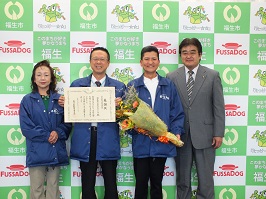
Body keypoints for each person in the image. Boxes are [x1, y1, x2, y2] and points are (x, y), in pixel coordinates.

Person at [59, 47, 126, 199]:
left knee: (111, 182)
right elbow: (69, 114)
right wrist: (65, 103)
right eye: (95, 59)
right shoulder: (77, 85)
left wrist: (121, 107)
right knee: (87, 183)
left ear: (108, 63)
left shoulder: (119, 87)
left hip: (108, 137)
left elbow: (127, 120)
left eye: (102, 59)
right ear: (90, 62)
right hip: (85, 138)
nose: (98, 62)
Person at [166, 38, 225, 199]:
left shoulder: (212, 76)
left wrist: (218, 133)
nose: (188, 56)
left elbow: (218, 106)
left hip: (206, 135)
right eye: (184, 53)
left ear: (200, 55)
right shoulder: (171, 77)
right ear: (180, 56)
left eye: (193, 52)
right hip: (181, 135)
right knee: (183, 179)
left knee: (206, 179)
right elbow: (169, 107)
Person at [127, 45, 185, 199]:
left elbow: (177, 113)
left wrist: (176, 132)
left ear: (158, 62)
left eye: (153, 59)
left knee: (157, 185)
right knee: (140, 184)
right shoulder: (133, 86)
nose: (150, 62)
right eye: (146, 59)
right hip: (141, 143)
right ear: (141, 62)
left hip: (161, 143)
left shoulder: (168, 85)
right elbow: (126, 115)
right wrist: (134, 128)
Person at [19, 60, 72, 199]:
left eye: (46, 75)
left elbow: (67, 124)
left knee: (53, 189)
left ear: (51, 79)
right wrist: (47, 135)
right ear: (34, 79)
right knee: (36, 190)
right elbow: (26, 128)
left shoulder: (60, 100)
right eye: (39, 75)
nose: (43, 78)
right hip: (37, 151)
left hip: (55, 151)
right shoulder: (27, 100)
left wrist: (58, 132)